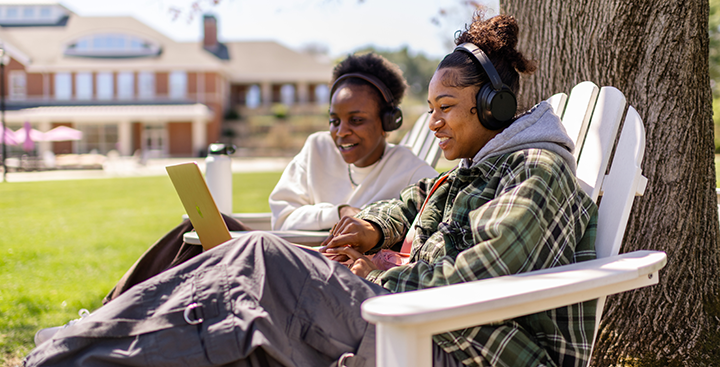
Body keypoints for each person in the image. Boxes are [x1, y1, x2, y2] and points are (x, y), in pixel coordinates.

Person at [26, 13, 597, 367]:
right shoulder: (469, 170)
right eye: (433, 110)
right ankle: (85, 343)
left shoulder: (534, 173)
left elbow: (480, 275)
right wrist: (375, 227)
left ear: (495, 105)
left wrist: (372, 274)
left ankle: (75, 351)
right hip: (415, 324)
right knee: (244, 311)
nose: (437, 123)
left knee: (257, 256)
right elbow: (409, 204)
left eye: (446, 108)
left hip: (447, 347)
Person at [99, 52, 438, 305]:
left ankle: (109, 325)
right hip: (281, 248)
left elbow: (432, 211)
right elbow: (283, 215)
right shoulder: (317, 147)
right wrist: (338, 211)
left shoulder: (410, 171)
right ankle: (109, 311)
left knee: (209, 246)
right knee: (195, 231)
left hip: (312, 275)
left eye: (356, 120)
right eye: (334, 120)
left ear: (389, 121)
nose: (341, 132)